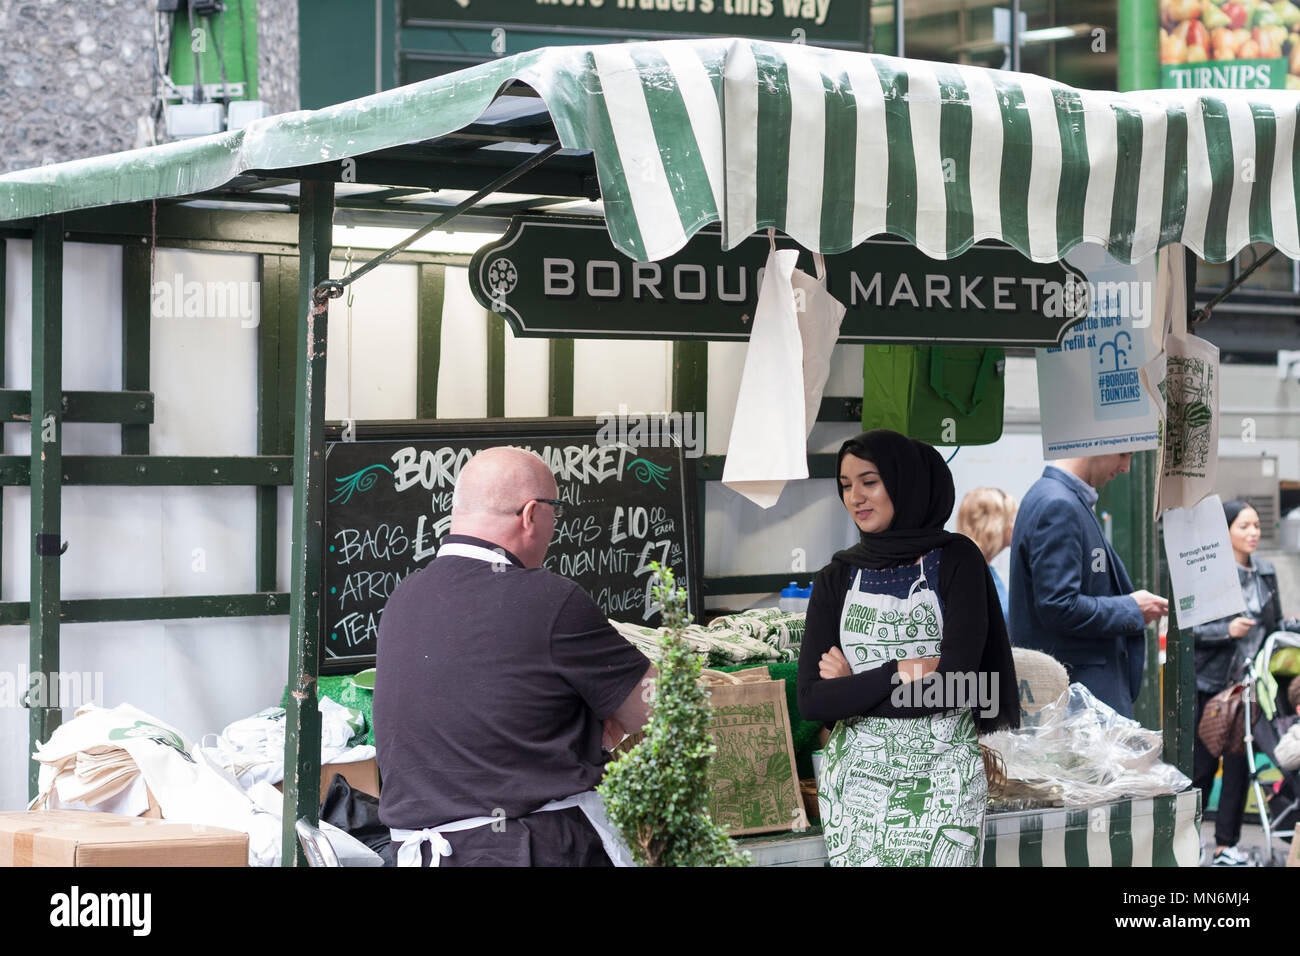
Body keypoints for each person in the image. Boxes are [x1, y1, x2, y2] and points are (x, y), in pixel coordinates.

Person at [373, 446, 655, 867]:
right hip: (530, 849)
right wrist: (599, 720)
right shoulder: (549, 598)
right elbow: (654, 706)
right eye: (555, 511)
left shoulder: (402, 598)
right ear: (530, 514)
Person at [797, 429, 1020, 867]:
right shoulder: (836, 577)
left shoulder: (957, 562)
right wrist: (896, 671)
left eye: (869, 481)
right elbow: (811, 700)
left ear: (905, 483)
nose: (855, 496)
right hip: (856, 794)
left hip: (941, 788)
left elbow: (957, 688)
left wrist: (852, 691)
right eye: (845, 485)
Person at [1008, 454, 1168, 719]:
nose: (1126, 467)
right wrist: (1131, 609)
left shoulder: (1060, 498)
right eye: (1123, 454)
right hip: (1076, 703)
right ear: (1099, 443)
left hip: (1076, 698)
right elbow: (1058, 605)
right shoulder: (1058, 504)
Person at [1189, 499, 1298, 866]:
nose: (1253, 533)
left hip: (1252, 686)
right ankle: (1186, 839)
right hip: (1214, 685)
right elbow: (1190, 629)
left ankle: (1225, 846)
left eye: (1256, 526)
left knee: (1239, 767)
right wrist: (1227, 631)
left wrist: (1288, 626)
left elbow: (1273, 621)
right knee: (1201, 767)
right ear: (1226, 531)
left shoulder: (1265, 571)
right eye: (1244, 526)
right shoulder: (1209, 572)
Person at [956, 487, 1018, 620]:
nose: (1015, 525)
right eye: (1010, 519)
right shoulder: (973, 575)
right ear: (995, 524)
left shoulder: (979, 568)